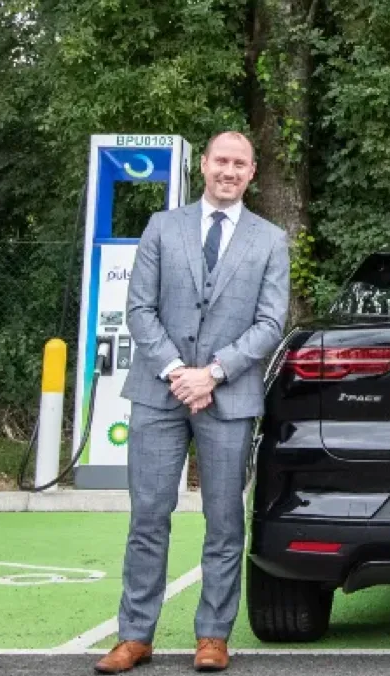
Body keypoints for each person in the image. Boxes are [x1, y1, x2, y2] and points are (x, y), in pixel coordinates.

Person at [96, 131, 290, 674]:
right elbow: (139, 310)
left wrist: (214, 374)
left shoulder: (270, 240)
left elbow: (271, 322)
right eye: (220, 161)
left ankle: (212, 637)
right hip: (160, 394)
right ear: (203, 165)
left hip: (228, 399)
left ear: (252, 173)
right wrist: (180, 372)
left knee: (225, 521)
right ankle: (135, 637)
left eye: (239, 163)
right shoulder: (163, 227)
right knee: (149, 518)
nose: (228, 171)